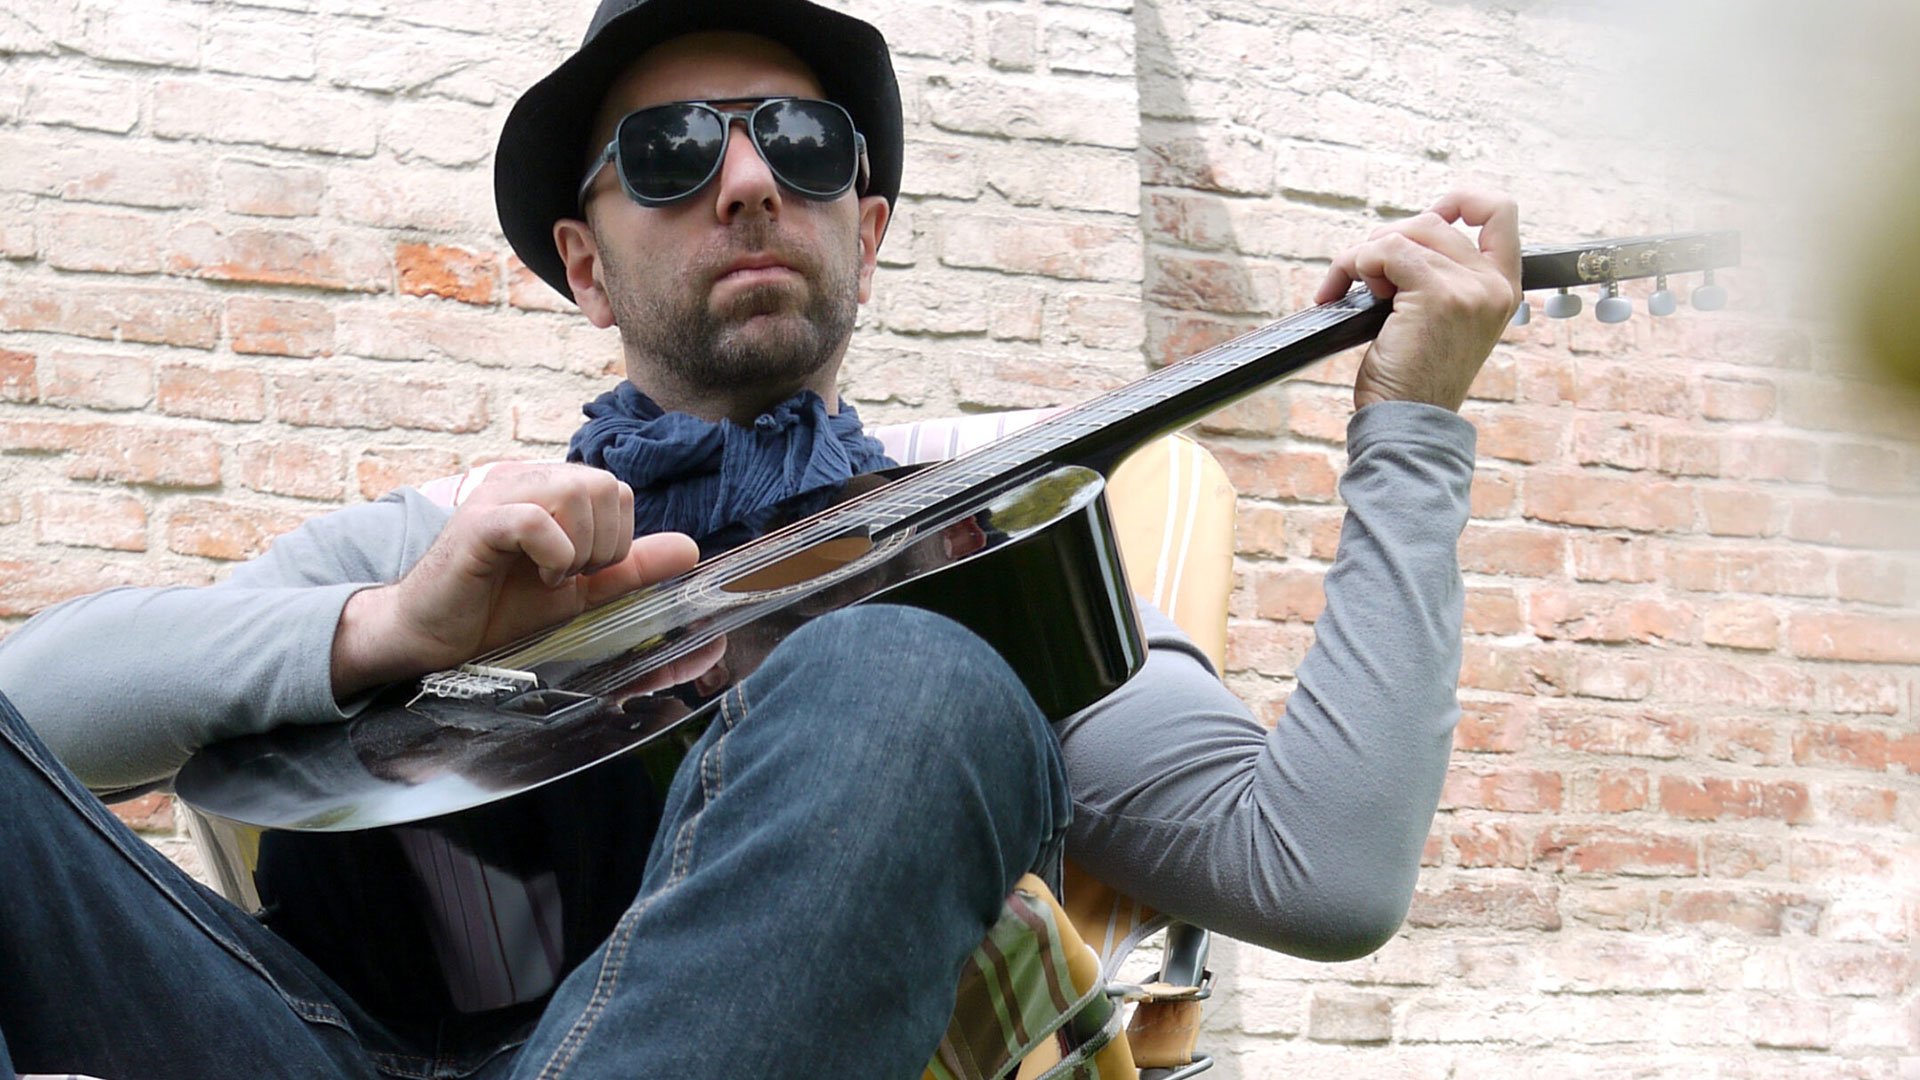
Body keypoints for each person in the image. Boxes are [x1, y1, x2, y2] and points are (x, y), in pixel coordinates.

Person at [0, 0, 1521, 1075]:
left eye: (801, 144)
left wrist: (1411, 430)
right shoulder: (453, 541)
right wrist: (391, 627)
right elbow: (37, 712)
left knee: (914, 677)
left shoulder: (987, 558)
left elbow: (1322, 868)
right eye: (671, 152)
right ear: (587, 267)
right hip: (309, 1047)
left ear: (866, 228)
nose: (745, 183)